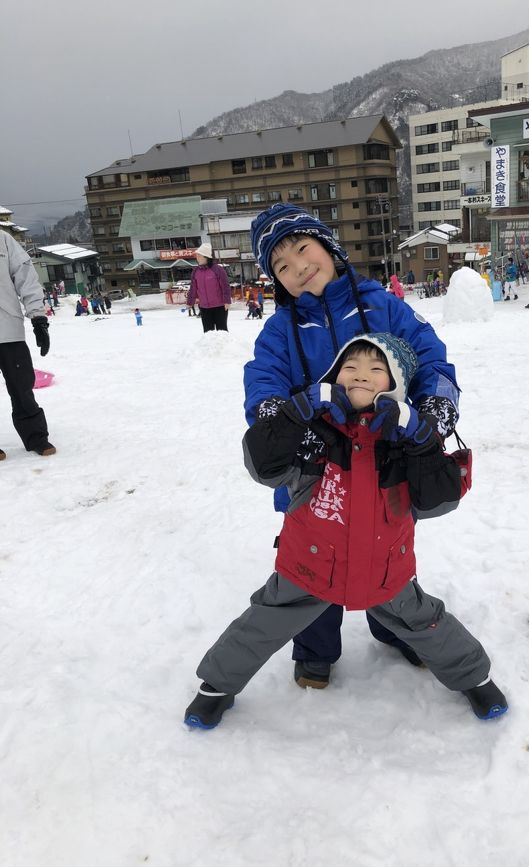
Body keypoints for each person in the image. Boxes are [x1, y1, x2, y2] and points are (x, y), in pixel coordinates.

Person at [184, 333, 507, 729]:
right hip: (308, 568)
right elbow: (263, 466)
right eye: (349, 368)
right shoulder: (313, 433)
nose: (360, 376)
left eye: (376, 369)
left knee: (425, 621)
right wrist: (294, 412)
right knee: (261, 623)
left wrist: (423, 441)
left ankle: (475, 677)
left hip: (385, 570)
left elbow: (438, 501)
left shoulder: (404, 443)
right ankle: (216, 687)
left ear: (394, 386)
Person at [243, 203, 461, 689]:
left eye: (303, 249)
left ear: (329, 248)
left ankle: (396, 626)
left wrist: (434, 409)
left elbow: (430, 358)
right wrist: (284, 424)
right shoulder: (280, 331)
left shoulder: (382, 305)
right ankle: (315, 649)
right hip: (317, 473)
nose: (298, 267)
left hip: (387, 462)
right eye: (281, 266)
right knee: (312, 562)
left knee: (387, 553)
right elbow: (263, 385)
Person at [0, 231, 56, 459]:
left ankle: (36, 437)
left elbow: (26, 277)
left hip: (8, 328)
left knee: (22, 388)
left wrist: (38, 318)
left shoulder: (3, 240)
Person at [187, 243, 231, 332]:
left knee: (222, 332)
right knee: (207, 333)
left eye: (199, 255)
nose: (197, 257)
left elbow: (225, 286)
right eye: (197, 255)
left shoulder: (218, 269)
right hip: (204, 308)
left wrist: (227, 301)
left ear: (206, 256)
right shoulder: (196, 271)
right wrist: (190, 302)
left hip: (220, 306)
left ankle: (224, 346)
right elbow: (193, 289)